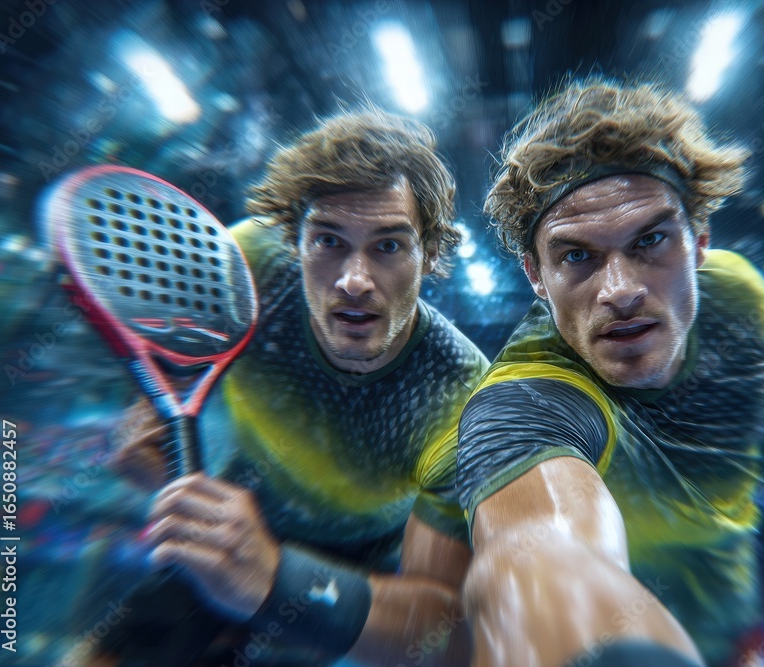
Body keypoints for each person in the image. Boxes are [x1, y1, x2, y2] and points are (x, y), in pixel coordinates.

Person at [69, 108, 489, 667]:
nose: (354, 280)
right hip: (220, 529)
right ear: (293, 241)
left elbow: (447, 626)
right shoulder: (247, 264)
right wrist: (150, 442)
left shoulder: (465, 397)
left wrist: (273, 574)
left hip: (351, 582)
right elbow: (163, 381)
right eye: (328, 241)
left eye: (388, 245)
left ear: (430, 256)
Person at [456, 77, 764, 667]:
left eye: (650, 240)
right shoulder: (526, 399)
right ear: (535, 275)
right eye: (577, 255)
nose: (620, 292)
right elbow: (535, 558)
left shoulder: (741, 296)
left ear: (699, 243)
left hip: (747, 632)